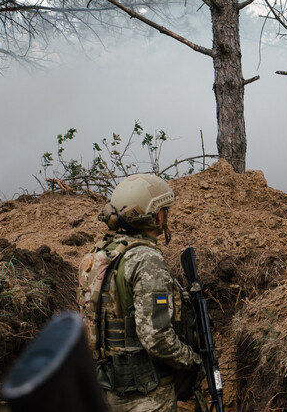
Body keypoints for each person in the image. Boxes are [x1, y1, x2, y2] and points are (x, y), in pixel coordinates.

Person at [84, 174, 201, 411]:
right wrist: (193, 360)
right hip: (145, 396)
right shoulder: (146, 260)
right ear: (158, 215)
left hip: (104, 389)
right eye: (165, 210)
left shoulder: (102, 255)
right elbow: (156, 338)